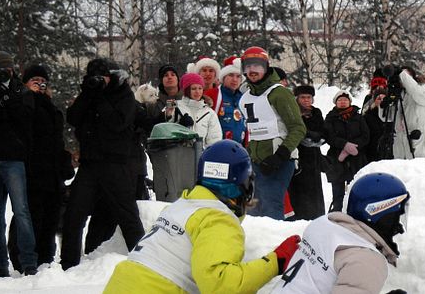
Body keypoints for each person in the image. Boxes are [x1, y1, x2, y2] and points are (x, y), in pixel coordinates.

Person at [105, 139, 302, 293]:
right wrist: (276, 261)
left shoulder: (180, 207)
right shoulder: (218, 220)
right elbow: (221, 286)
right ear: (245, 184)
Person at [61, 58, 144, 270]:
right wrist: (89, 94)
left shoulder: (123, 94)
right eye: (94, 78)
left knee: (128, 216)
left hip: (115, 164)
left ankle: (146, 263)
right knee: (74, 214)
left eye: (102, 77)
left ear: (111, 76)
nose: (99, 81)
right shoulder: (89, 94)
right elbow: (73, 118)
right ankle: (68, 266)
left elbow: (119, 123)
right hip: (90, 164)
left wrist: (101, 99)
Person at [271, 172, 410, 293]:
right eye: (397, 215)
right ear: (381, 215)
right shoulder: (367, 260)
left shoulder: (324, 225)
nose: (399, 225)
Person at [0, 51, 38, 277]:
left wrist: (6, 94)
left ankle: (29, 262)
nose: (4, 74)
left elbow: (25, 117)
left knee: (21, 211)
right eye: (0, 70)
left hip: (13, 159)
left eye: (8, 70)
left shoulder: (21, 91)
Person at [7, 64, 73, 272]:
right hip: (31, 171)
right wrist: (29, 96)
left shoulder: (52, 108)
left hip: (52, 173)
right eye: (34, 80)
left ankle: (45, 259)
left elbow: (56, 140)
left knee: (51, 217)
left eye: (43, 81)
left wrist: (64, 161)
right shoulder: (22, 103)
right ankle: (22, 259)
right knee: (29, 216)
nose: (40, 85)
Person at [238, 46, 306, 220]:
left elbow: (298, 128)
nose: (252, 71)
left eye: (257, 66)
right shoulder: (245, 97)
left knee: (271, 204)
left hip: (280, 160)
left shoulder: (279, 93)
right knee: (254, 208)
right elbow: (253, 131)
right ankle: (257, 245)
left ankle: (275, 244)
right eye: (248, 66)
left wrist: (280, 155)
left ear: (266, 67)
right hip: (257, 162)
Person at [323, 90, 369, 213]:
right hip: (337, 157)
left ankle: (356, 212)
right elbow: (329, 136)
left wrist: (353, 147)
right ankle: (337, 211)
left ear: (349, 102)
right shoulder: (330, 117)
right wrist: (344, 145)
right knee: (337, 188)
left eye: (345, 100)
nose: (343, 102)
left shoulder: (358, 117)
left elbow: (366, 135)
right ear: (335, 103)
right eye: (340, 100)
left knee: (356, 186)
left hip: (356, 158)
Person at [289, 85, 326, 220]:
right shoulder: (293, 112)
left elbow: (323, 130)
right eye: (303, 97)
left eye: (309, 97)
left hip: (314, 153)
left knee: (315, 187)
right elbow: (295, 129)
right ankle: (300, 215)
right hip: (299, 153)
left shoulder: (316, 112)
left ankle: (317, 215)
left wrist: (317, 138)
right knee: (299, 185)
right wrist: (308, 135)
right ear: (297, 98)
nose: (306, 100)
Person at [170, 73, 223, 148]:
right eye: (193, 89)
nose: (197, 92)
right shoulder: (175, 107)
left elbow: (215, 139)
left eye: (200, 88)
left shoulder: (209, 113)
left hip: (201, 156)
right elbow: (165, 128)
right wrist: (179, 125)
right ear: (187, 90)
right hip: (178, 155)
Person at [217, 56, 247, 144]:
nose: (234, 80)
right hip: (220, 146)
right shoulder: (215, 95)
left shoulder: (244, 98)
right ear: (223, 77)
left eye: (238, 76)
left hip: (241, 148)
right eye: (231, 75)